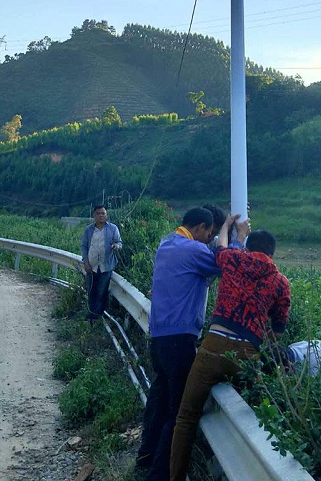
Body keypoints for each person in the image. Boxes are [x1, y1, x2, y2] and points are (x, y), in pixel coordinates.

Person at [169, 215, 290, 481]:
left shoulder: (235, 260)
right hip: (247, 354)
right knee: (253, 424)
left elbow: (221, 249)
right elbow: (277, 331)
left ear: (248, 247)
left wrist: (226, 227)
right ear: (271, 253)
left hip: (213, 346)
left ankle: (176, 477)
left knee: (186, 418)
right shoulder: (281, 282)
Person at [136, 206, 240, 481]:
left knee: (158, 400)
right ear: (199, 228)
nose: (209, 238)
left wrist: (224, 227)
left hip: (159, 339)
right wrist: (234, 234)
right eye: (210, 233)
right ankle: (159, 475)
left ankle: (145, 458)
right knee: (178, 410)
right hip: (179, 341)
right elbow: (227, 262)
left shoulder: (167, 244)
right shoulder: (193, 251)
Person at [80, 205, 121, 322]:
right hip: (91, 266)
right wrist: (86, 262)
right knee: (91, 291)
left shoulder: (113, 228)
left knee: (101, 292)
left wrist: (116, 246)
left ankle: (97, 317)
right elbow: (84, 246)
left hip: (106, 266)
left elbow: (119, 243)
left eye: (103, 213)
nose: (101, 215)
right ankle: (91, 315)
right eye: (98, 213)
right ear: (94, 215)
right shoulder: (88, 230)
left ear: (106, 215)